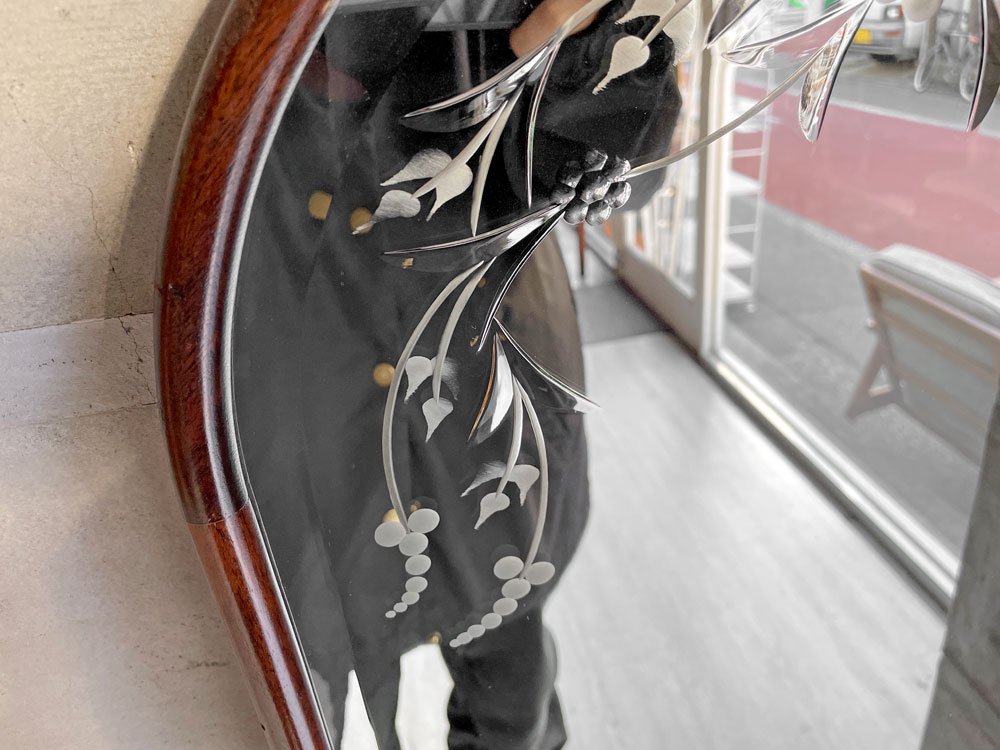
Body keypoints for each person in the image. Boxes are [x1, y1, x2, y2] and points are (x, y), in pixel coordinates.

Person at [232, 2, 682, 747]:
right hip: (300, 373)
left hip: (488, 383)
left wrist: (580, 50)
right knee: (303, 673)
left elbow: (632, 157)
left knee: (510, 670)